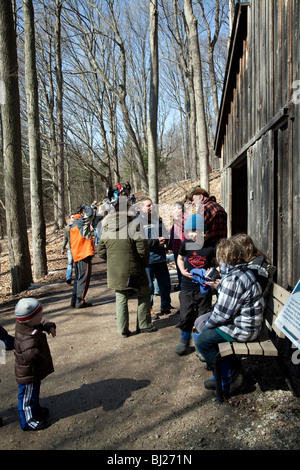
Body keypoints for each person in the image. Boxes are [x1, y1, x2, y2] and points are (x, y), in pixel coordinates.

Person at [194, 237, 265, 395]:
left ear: (224, 258)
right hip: (245, 322)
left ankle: (230, 377)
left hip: (245, 328)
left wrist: (207, 326)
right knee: (201, 325)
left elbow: (222, 314)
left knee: (202, 342)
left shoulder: (233, 279)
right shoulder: (240, 272)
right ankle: (222, 374)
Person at [98, 207, 157, 337]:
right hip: (134, 268)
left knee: (121, 297)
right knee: (144, 293)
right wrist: (143, 263)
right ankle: (144, 325)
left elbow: (101, 251)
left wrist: (112, 261)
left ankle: (123, 329)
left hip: (115, 271)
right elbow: (142, 248)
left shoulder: (107, 228)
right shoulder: (134, 226)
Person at [175, 214, 216, 356]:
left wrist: (213, 274)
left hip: (203, 289)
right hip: (187, 287)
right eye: (189, 231)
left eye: (195, 231)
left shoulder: (211, 246)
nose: (192, 234)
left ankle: (200, 346)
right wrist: (182, 271)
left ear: (203, 231)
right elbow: (180, 258)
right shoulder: (186, 244)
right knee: (185, 315)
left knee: (202, 317)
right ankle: (184, 341)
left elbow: (217, 265)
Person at [14, 297, 56, 431]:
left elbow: (39, 324)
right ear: (29, 319)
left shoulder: (27, 325)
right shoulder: (27, 338)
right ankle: (27, 421)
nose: (41, 316)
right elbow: (31, 355)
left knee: (34, 392)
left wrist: (48, 326)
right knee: (26, 397)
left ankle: (35, 409)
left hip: (34, 372)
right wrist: (42, 358)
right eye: (39, 315)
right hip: (28, 373)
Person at [137, 197, 172, 319]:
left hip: (160, 257)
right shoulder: (137, 222)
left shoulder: (158, 219)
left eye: (151, 205)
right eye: (148, 205)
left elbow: (166, 234)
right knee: (149, 287)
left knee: (165, 284)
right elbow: (140, 242)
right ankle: (149, 308)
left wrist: (165, 241)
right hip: (147, 259)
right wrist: (155, 241)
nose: (151, 207)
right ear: (141, 208)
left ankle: (166, 306)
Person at [70, 203, 95, 309]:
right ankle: (80, 301)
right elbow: (90, 214)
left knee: (78, 279)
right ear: (80, 213)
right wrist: (86, 205)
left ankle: (74, 300)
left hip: (77, 254)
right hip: (83, 254)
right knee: (84, 279)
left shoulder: (73, 224)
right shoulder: (81, 222)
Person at [168, 201, 188, 291]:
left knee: (184, 269)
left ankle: (185, 285)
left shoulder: (184, 219)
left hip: (184, 250)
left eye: (174, 209)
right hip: (177, 249)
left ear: (181, 209)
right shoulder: (177, 220)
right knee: (180, 269)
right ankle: (181, 284)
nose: (173, 211)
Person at [61, 213, 75, 284]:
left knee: (77, 263)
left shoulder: (78, 226)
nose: (73, 218)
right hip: (70, 248)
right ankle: (68, 277)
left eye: (74, 217)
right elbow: (65, 238)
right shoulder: (67, 227)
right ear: (70, 218)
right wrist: (63, 248)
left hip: (77, 248)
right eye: (72, 217)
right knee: (70, 262)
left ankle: (78, 278)